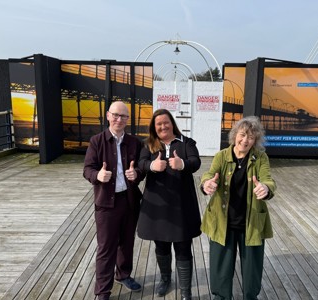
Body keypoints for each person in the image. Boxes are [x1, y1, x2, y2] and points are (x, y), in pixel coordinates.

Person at [200, 116, 276, 300]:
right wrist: (207, 184)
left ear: (255, 140)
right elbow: (209, 174)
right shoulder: (222, 156)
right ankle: (221, 297)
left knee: (252, 269)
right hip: (222, 221)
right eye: (242, 135)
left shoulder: (260, 158)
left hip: (251, 223)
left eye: (251, 137)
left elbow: (268, 179)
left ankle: (250, 297)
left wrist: (265, 188)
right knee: (220, 267)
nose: (245, 140)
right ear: (235, 136)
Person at [83, 101, 146, 300]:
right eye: (116, 115)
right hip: (106, 203)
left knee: (127, 242)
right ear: (108, 116)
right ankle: (102, 290)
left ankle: (123, 275)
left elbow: (142, 169)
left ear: (128, 119)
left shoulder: (135, 142)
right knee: (106, 247)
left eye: (124, 116)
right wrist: (97, 176)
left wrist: (136, 173)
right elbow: (87, 169)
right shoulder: (97, 141)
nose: (119, 119)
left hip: (129, 200)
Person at [137, 109, 201, 300]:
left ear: (172, 123)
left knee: (183, 247)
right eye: (159, 124)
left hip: (182, 205)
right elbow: (141, 163)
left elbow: (195, 161)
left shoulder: (186, 142)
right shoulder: (148, 144)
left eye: (166, 122)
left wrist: (182, 164)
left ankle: (185, 291)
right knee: (161, 246)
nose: (163, 126)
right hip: (157, 205)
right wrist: (151, 166)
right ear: (154, 128)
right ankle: (165, 279)